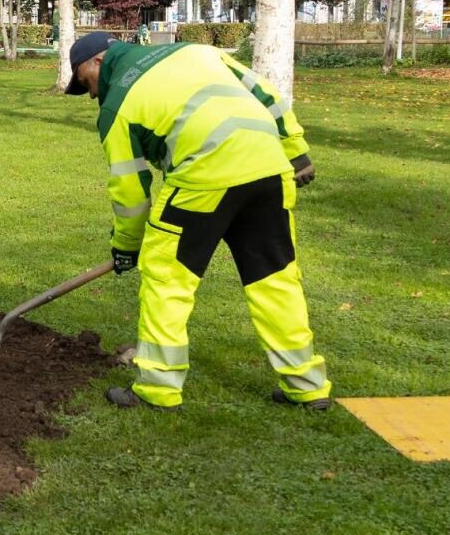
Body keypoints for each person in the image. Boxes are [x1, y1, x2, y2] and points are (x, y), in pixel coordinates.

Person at [65, 31, 331, 412]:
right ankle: (307, 386)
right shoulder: (195, 53)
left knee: (166, 280)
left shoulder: (117, 107)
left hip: (204, 179)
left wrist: (127, 248)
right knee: (275, 279)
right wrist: (296, 152)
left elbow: (130, 195)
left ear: (98, 62)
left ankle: (157, 389)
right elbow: (266, 94)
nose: (90, 94)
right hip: (268, 169)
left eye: (84, 83)